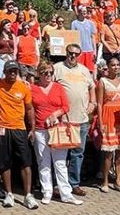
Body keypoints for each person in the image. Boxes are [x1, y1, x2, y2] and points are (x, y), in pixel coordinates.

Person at [30, 62, 83, 205]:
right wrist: (33, 128)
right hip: (41, 129)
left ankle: (66, 193)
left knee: (60, 163)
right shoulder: (33, 89)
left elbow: (66, 106)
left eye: (50, 73)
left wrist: (55, 114)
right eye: (45, 73)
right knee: (43, 162)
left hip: (57, 129)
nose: (48, 76)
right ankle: (46, 191)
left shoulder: (58, 87)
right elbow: (30, 109)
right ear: (39, 74)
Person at [53, 45, 95, 196]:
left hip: (81, 119)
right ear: (66, 53)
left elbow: (91, 87)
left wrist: (93, 103)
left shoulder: (84, 70)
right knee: (61, 154)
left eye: (76, 54)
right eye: (70, 53)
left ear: (79, 55)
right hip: (63, 119)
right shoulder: (57, 68)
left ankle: (74, 183)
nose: (72, 56)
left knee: (78, 153)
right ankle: (59, 184)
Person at [0, 61, 36, 208]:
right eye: (10, 71)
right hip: (3, 128)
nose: (13, 73)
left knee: (26, 162)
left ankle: (28, 195)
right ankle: (9, 194)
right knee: (5, 162)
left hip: (20, 128)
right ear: (5, 72)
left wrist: (32, 128)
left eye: (15, 71)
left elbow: (30, 109)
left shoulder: (23, 87)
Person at [96, 55, 120, 192]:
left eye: (118, 65)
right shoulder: (103, 81)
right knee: (108, 153)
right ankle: (104, 181)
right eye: (113, 65)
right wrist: (100, 121)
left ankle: (117, 181)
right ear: (108, 67)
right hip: (108, 116)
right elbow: (99, 103)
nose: (116, 67)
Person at [70, 6, 98, 71]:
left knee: (90, 70)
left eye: (85, 11)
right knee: (79, 69)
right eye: (83, 11)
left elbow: (93, 37)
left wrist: (95, 51)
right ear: (79, 12)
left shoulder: (91, 23)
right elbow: (73, 37)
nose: (84, 12)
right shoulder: (74, 23)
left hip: (89, 50)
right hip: (79, 51)